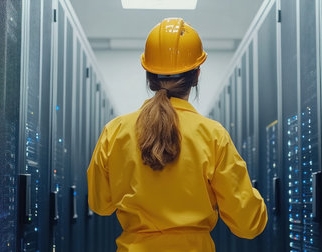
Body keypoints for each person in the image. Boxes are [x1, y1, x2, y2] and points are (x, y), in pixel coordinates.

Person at [87, 17, 267, 252]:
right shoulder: (212, 136)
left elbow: (100, 204)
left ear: (149, 75)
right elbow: (248, 224)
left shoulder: (115, 132)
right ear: (197, 74)